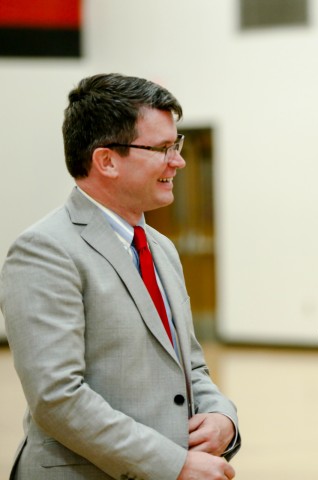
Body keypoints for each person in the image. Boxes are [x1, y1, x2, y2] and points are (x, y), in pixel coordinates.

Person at [0, 73, 239, 480]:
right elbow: (57, 398)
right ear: (106, 160)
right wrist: (173, 464)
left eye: (176, 146)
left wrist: (222, 417)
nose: (177, 161)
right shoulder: (44, 250)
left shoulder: (161, 249)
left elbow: (192, 368)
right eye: (163, 148)